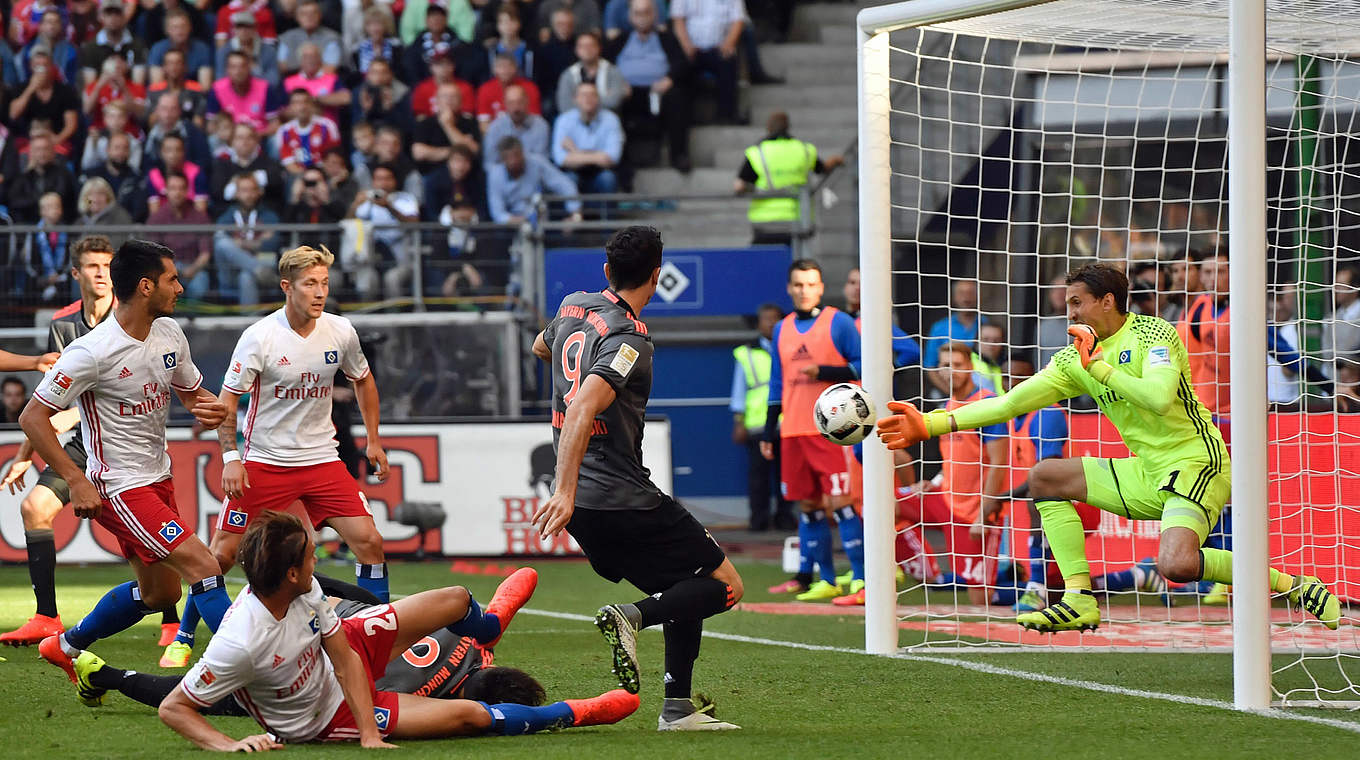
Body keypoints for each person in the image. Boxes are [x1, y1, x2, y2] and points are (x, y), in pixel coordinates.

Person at [877, 262, 1342, 632]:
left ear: (1108, 301)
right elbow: (1011, 401)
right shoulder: (1073, 359)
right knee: (1045, 478)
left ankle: (1297, 586)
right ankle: (1078, 598)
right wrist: (933, 422)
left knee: (1177, 564)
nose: (1071, 313)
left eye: (1078, 303)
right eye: (1068, 304)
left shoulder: (1154, 333)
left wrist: (1097, 368)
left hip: (1196, 461)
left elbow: (1159, 398)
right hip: (1146, 470)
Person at [158, 511, 638, 748]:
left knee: (453, 599)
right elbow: (174, 707)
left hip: (347, 654)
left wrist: (373, 732)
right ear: (289, 573)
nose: (317, 558)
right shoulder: (240, 643)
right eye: (310, 555)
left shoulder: (301, 589)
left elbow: (343, 653)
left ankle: (486, 627)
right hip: (330, 713)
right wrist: (229, 745)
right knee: (471, 715)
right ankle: (573, 713)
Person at [530, 225, 744, 730]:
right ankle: (632, 617)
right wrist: (563, 488)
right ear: (656, 276)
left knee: (680, 588)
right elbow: (585, 404)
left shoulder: (572, 305)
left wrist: (567, 491)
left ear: (606, 272)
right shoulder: (630, 339)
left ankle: (678, 708)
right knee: (724, 586)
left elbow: (544, 347)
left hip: (584, 508)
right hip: (620, 495)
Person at [159, 245, 394, 667]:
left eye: (324, 283)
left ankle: (378, 639)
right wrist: (231, 457)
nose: (319, 292)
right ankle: (184, 635)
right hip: (265, 462)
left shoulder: (341, 331)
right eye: (310, 284)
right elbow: (227, 403)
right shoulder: (259, 338)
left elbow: (364, 380)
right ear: (287, 287)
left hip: (323, 459)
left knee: (370, 543)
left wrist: (373, 440)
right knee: (221, 556)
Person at [21, 239, 237, 682]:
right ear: (144, 286)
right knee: (204, 565)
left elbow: (192, 391)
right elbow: (33, 416)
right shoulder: (91, 351)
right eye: (171, 279)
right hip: (119, 486)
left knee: (160, 594)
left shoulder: (169, 334)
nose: (180, 287)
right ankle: (247, 671)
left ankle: (65, 645)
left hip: (158, 477)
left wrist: (208, 407)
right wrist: (76, 480)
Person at [1, 236, 187, 647]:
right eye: (92, 267)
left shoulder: (147, 323)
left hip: (130, 446)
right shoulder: (67, 329)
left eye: (107, 266)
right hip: (89, 448)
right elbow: (48, 406)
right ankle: (48, 619)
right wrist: (24, 455)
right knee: (35, 508)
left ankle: (170, 618)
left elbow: (71, 406)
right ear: (76, 274)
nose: (101, 274)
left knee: (170, 574)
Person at [77, 567, 545, 709]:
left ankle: (207, 584)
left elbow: (520, 581)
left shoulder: (465, 639)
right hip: (297, 649)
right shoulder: (422, 699)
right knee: (208, 696)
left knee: (360, 599)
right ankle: (109, 676)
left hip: (320, 604)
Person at [760, 259, 864, 601]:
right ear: (790, 289)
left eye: (810, 284)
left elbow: (868, 363)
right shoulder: (782, 328)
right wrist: (768, 429)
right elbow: (777, 383)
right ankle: (828, 580)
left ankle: (863, 581)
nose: (804, 291)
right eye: (798, 285)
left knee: (841, 502)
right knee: (808, 505)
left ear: (820, 287)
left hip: (833, 430)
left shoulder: (839, 322)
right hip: (793, 431)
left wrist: (827, 371)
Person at [734, 111, 842, 244]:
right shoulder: (804, 150)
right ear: (788, 126)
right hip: (797, 219)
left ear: (768, 128)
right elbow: (823, 169)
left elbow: (740, 186)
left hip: (765, 222)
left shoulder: (758, 152)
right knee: (796, 262)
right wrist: (836, 160)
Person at [607, 0, 690, 171]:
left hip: (658, 92)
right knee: (610, 102)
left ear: (654, 15)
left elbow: (682, 63)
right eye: (638, 13)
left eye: (646, 13)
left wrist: (669, 80)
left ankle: (679, 155)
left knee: (678, 96)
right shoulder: (620, 40)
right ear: (630, 17)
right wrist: (618, 84)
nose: (642, 18)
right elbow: (605, 66)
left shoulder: (666, 38)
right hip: (628, 94)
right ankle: (622, 167)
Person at [730, 303, 791, 532]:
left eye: (775, 319)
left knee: (786, 475)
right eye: (766, 319)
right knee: (759, 477)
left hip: (786, 424)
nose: (771, 324)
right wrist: (739, 421)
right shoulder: (746, 353)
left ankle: (785, 518)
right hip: (757, 425)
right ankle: (759, 520)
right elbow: (739, 389)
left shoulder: (790, 348)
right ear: (758, 323)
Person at [212, 173, 280, 307]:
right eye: (244, 190)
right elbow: (221, 245)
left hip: (263, 272)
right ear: (236, 193)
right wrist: (257, 242)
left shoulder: (269, 216)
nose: (248, 194)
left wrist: (239, 244)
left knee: (246, 276)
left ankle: (249, 321)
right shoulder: (226, 217)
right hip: (231, 273)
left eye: (252, 189)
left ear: (259, 192)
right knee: (222, 242)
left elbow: (273, 244)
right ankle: (257, 269)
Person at [669, 0, 741, 123]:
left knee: (728, 61)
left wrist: (728, 43)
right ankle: (686, 116)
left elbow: (738, 20)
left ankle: (725, 116)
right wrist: (687, 47)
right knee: (681, 67)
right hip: (690, 49)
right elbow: (678, 20)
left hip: (719, 48)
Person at [145, 172, 214, 299]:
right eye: (173, 188)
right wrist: (171, 271)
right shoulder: (157, 218)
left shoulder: (200, 217)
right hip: (166, 270)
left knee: (200, 285)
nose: (177, 193)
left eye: (181, 188)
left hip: (194, 268)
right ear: (166, 191)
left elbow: (205, 254)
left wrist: (193, 269)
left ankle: (193, 318)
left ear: (187, 190)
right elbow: (154, 255)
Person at [487, 136, 582, 224]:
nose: (513, 161)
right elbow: (497, 213)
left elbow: (564, 184)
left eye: (516, 155)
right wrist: (521, 221)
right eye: (508, 157)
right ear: (502, 159)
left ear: (522, 152)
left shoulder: (537, 162)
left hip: (540, 219)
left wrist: (574, 213)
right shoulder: (495, 174)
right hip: (511, 224)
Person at [551, 80, 624, 193]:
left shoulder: (611, 119)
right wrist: (598, 157)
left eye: (592, 95)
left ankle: (606, 212)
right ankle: (575, 211)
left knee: (608, 179)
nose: (588, 99)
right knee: (568, 180)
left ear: (599, 99)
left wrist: (575, 152)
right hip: (573, 171)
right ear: (575, 99)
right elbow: (560, 159)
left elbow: (613, 157)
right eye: (584, 95)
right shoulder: (564, 120)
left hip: (601, 172)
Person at [1181, 250, 1230, 418]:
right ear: (1201, 276)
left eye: (1220, 271)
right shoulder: (1199, 309)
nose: (1213, 278)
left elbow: (1281, 349)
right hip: (1203, 410)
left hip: (1235, 412)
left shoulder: (1246, 312)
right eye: (1208, 272)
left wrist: (1314, 377)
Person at [7, 49, 80, 156]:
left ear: (51, 66)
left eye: (45, 65)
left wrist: (56, 140)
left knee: (60, 156)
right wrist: (31, 89)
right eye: (37, 65)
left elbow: (71, 125)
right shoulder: (21, 89)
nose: (41, 69)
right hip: (28, 141)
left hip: (56, 140)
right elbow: (13, 114)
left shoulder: (65, 91)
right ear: (31, 66)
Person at [922, 278, 986, 395]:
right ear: (954, 297)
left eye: (971, 293)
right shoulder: (940, 328)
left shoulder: (987, 326)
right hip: (946, 392)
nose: (966, 298)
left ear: (979, 297)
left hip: (981, 392)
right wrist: (952, 394)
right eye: (962, 293)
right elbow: (930, 367)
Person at [207, 49, 286, 137]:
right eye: (233, 67)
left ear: (249, 67)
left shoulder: (265, 88)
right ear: (227, 70)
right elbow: (211, 125)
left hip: (260, 137)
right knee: (213, 139)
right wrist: (225, 135)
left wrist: (255, 136)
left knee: (276, 140)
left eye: (242, 66)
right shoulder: (217, 89)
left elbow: (275, 124)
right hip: (229, 138)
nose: (238, 71)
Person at [9, 131, 80, 224]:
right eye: (38, 149)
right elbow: (14, 202)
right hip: (30, 228)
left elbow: (68, 199)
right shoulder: (23, 178)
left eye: (45, 149)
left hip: (62, 228)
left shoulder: (64, 174)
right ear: (31, 152)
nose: (42, 153)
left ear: (53, 151)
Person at [482, 83, 551, 172]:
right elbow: (489, 163)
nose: (516, 108)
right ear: (505, 104)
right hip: (504, 177)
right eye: (511, 103)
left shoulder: (541, 125)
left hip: (533, 177)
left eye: (520, 102)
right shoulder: (495, 127)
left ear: (527, 101)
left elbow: (543, 161)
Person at [555, 31, 625, 117]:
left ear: (599, 48)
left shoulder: (613, 71)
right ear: (576, 50)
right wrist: (601, 100)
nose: (587, 49)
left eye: (591, 45)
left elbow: (614, 102)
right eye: (583, 46)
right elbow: (564, 106)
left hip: (606, 119)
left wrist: (581, 102)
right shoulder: (568, 74)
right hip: (576, 121)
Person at [277, 88, 342, 175]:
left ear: (311, 104)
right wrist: (307, 177)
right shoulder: (284, 132)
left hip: (326, 174)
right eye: (297, 103)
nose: (302, 107)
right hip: (299, 176)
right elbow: (290, 164)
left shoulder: (327, 126)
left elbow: (334, 158)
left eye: (306, 102)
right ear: (291, 107)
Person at [148, 9, 213, 89]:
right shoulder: (158, 49)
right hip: (165, 96)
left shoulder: (202, 49)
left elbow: (205, 87)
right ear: (167, 30)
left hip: (193, 96)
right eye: (175, 27)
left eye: (183, 26)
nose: (179, 31)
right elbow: (156, 86)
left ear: (190, 27)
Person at [277, 0, 344, 76]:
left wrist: (302, 70)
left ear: (320, 15)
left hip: (323, 83)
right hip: (293, 83)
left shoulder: (332, 37)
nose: (309, 17)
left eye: (313, 13)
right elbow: (282, 67)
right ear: (297, 17)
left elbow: (330, 68)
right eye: (304, 14)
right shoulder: (287, 37)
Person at [1322, 264, 1360, 378]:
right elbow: (1326, 353)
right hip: (1335, 383)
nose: (1336, 290)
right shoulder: (1330, 318)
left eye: (1341, 286)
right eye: (1335, 285)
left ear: (1355, 288)